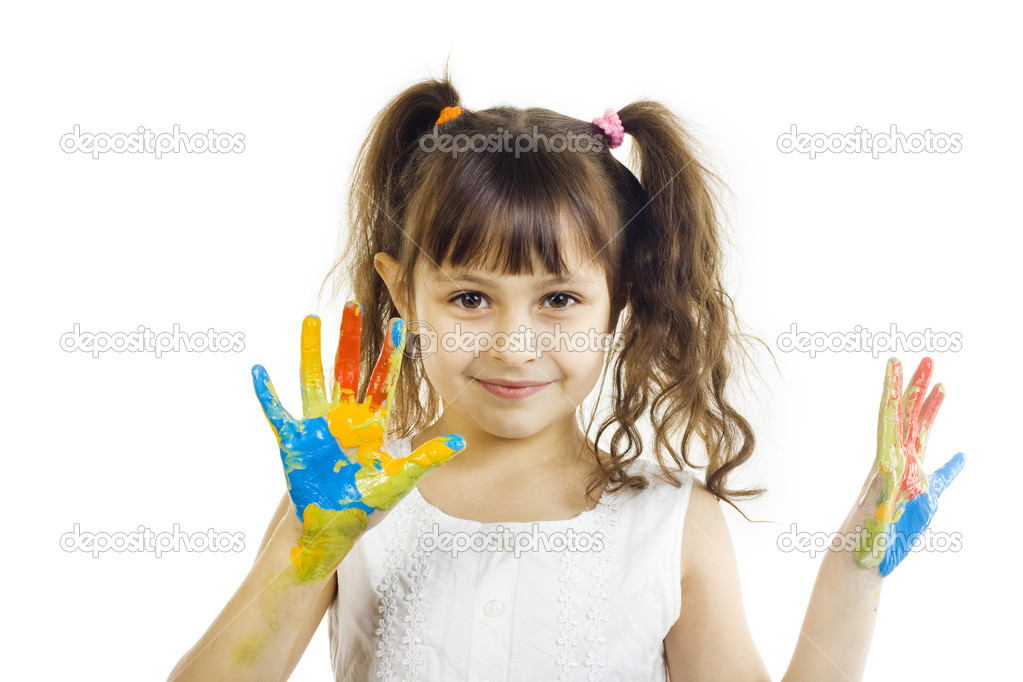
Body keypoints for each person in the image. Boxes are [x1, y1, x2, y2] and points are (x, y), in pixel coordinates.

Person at [168, 71, 964, 681]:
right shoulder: (345, 499)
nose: (515, 344)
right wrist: (301, 554)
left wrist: (852, 574)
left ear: (621, 297)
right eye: (470, 297)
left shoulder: (668, 525)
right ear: (402, 291)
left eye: (557, 299)